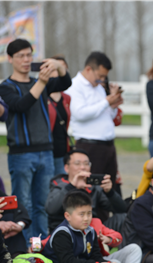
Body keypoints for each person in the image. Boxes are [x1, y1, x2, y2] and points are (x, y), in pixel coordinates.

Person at [0, 39, 72, 239]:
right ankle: (24, 248)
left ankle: (40, 245)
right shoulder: (6, 86)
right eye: (21, 56)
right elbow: (21, 105)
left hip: (46, 151)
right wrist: (41, 82)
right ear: (10, 59)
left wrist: (58, 67)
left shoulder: (40, 82)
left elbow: (66, 83)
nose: (26, 59)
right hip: (21, 153)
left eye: (29, 55)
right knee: (23, 204)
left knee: (42, 204)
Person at [42, 191, 138, 263]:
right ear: (67, 216)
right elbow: (68, 262)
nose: (86, 218)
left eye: (89, 213)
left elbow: (96, 256)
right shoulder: (62, 234)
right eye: (81, 214)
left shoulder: (90, 231)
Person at [65, 51, 123, 191]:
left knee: (110, 188)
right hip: (89, 145)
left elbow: (106, 114)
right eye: (100, 76)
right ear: (89, 69)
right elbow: (79, 113)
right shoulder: (74, 86)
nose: (102, 80)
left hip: (108, 145)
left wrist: (113, 105)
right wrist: (106, 101)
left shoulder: (98, 87)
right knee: (93, 188)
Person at [45, 149, 127, 233]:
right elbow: (51, 209)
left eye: (86, 163)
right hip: (65, 233)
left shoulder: (94, 188)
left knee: (123, 217)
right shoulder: (59, 184)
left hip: (91, 232)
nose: (83, 167)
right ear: (67, 168)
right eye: (77, 163)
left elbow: (122, 210)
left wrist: (110, 192)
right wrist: (72, 186)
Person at [48, 55, 72, 176]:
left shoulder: (67, 98)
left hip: (63, 151)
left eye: (62, 68)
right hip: (47, 151)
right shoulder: (41, 96)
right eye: (55, 67)